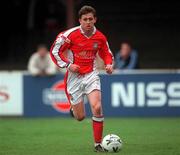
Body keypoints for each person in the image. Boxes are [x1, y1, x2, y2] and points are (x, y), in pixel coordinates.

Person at [50, 5, 113, 152]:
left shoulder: (100, 37)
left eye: (91, 19)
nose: (88, 22)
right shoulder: (69, 35)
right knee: (80, 117)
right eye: (85, 19)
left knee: (97, 107)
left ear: (95, 19)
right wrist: (68, 65)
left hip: (91, 74)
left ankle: (98, 144)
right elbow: (54, 51)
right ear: (80, 20)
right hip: (74, 77)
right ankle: (74, 109)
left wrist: (109, 64)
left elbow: (106, 53)